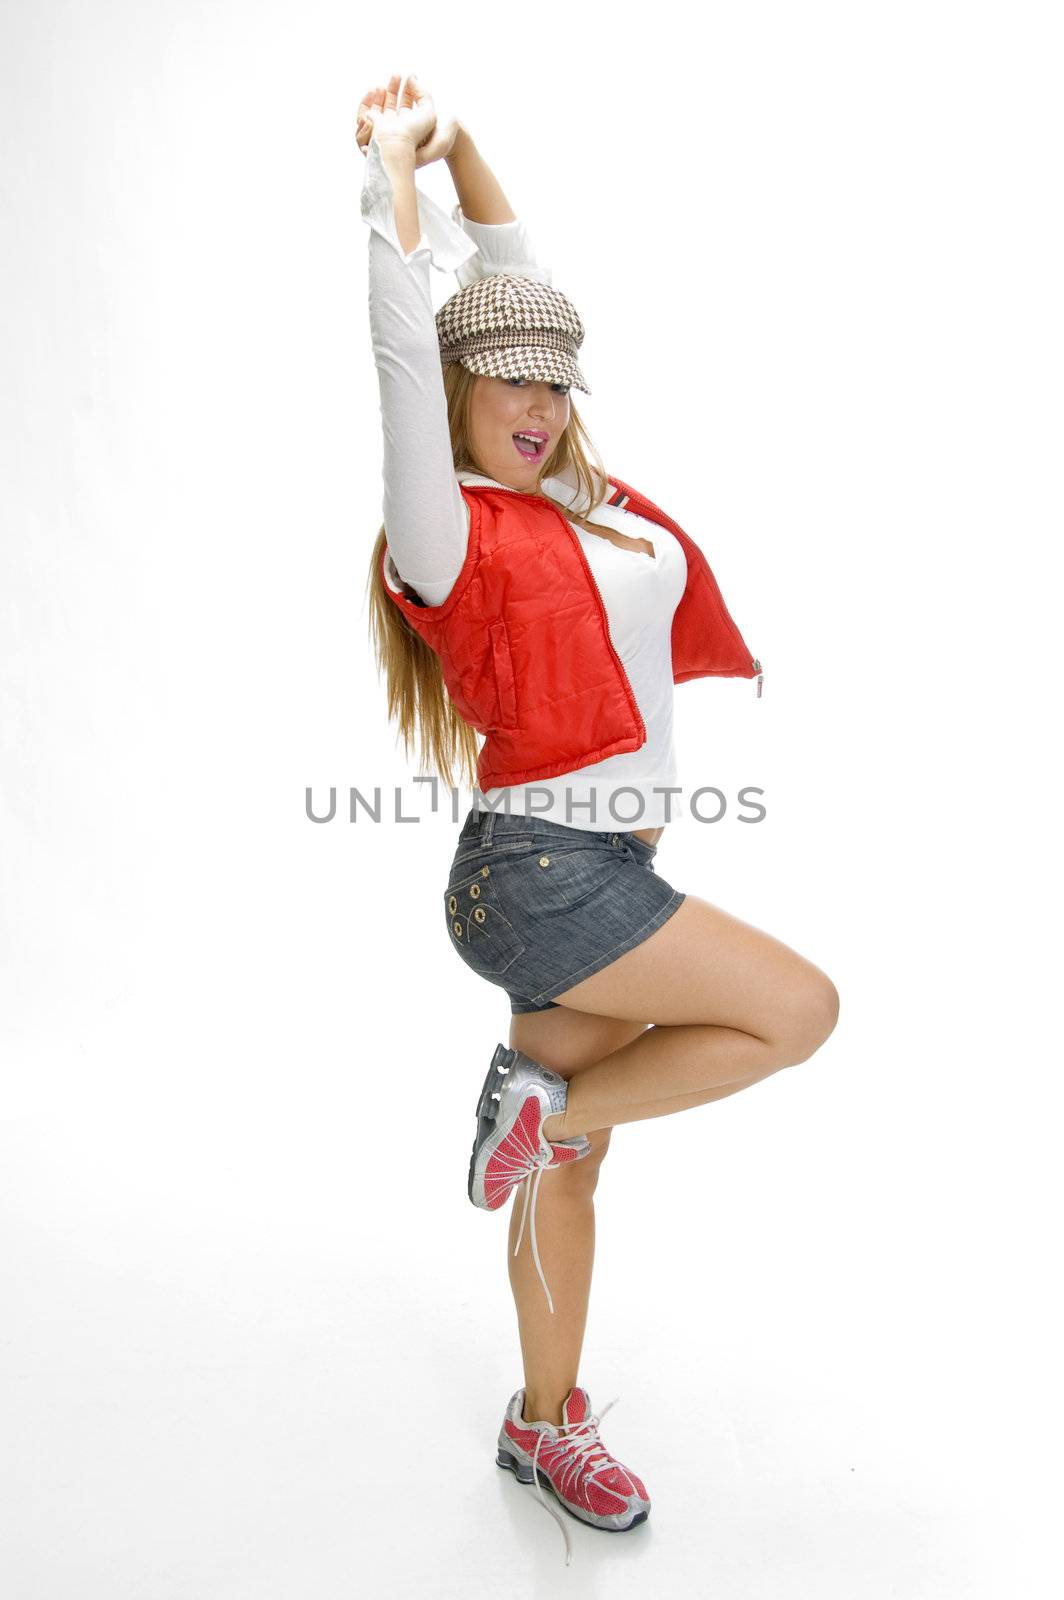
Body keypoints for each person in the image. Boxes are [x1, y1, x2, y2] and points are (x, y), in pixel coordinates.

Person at [357, 72, 840, 1564]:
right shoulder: (447, 531)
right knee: (799, 1010)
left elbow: (519, 292)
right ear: (458, 404)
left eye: (554, 385)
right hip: (536, 874)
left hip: (598, 866)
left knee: (570, 1169)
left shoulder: (592, 503)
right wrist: (386, 188)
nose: (536, 406)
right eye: (507, 387)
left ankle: (541, 1414)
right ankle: (543, 1107)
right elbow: (400, 347)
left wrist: (468, 148)